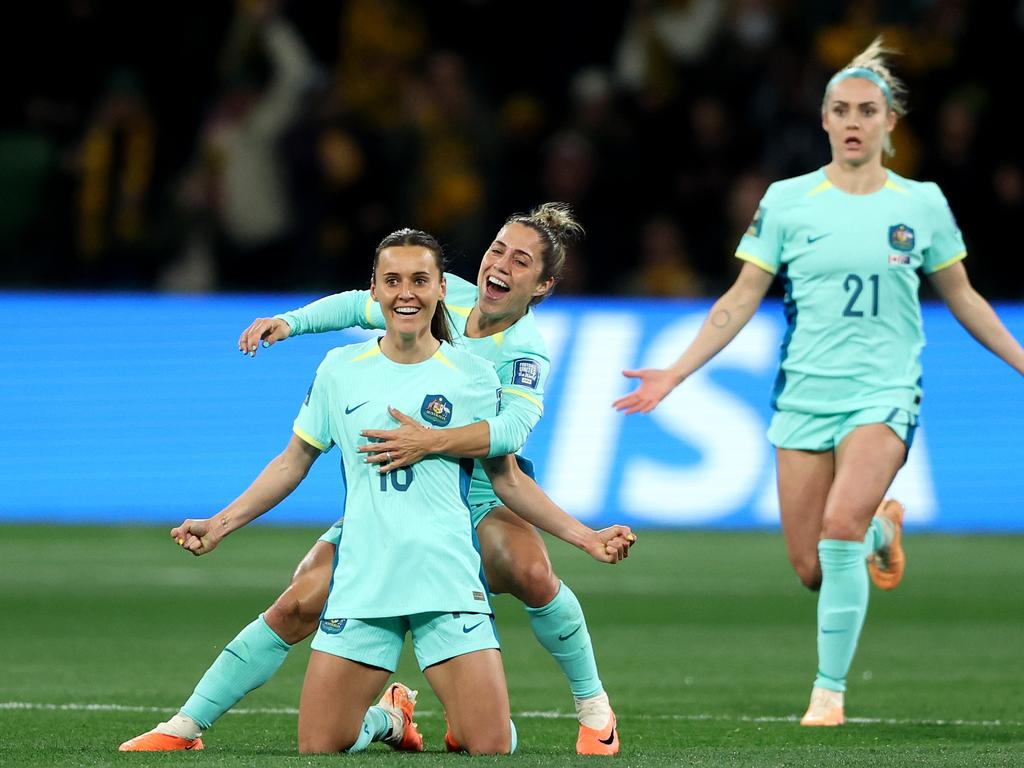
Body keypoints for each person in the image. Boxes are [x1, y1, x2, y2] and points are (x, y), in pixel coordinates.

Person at [614, 37, 1024, 727]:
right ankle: (880, 532)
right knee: (812, 566)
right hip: (804, 396)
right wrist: (676, 373)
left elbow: (965, 299)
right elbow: (740, 299)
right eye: (842, 109)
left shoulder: (920, 204)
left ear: (891, 121)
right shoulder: (788, 202)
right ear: (826, 121)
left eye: (869, 109)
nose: (855, 120)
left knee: (837, 529)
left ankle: (827, 695)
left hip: (883, 392)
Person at [120, 206, 633, 754]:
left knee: (530, 570)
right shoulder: (399, 325)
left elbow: (508, 432)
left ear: (542, 284)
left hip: (472, 493)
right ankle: (188, 724)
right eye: (497, 250)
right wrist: (292, 322)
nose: (500, 265)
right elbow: (350, 309)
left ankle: (593, 709)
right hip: (387, 501)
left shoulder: (518, 357)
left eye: (520, 260)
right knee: (299, 602)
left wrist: (433, 442)